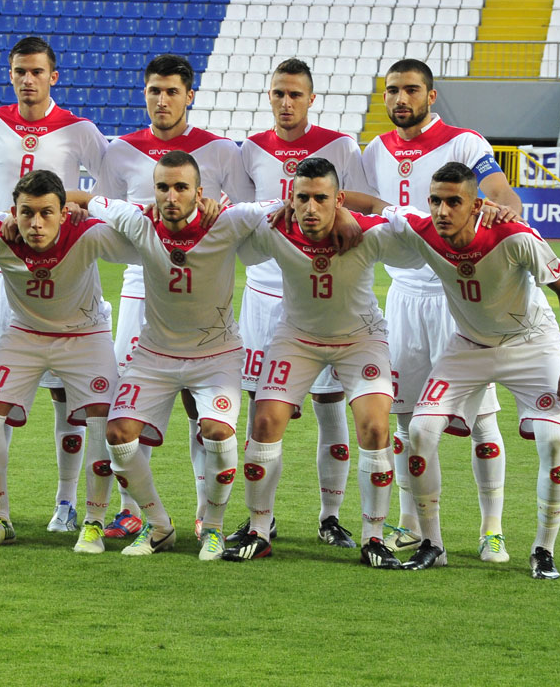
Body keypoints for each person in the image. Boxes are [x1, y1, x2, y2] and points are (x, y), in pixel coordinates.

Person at [355, 162, 560, 578]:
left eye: (453, 202)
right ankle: (433, 544)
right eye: (436, 201)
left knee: (553, 441)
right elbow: (372, 204)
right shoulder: (422, 228)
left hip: (531, 343)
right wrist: (303, 202)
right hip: (468, 345)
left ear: (476, 204)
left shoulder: (513, 236)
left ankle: (543, 550)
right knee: (421, 431)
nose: (442, 211)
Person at [354, 58, 522, 561]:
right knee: (405, 419)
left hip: (456, 297)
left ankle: (492, 529)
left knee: (481, 419)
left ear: (430, 95)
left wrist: (505, 208)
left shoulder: (465, 143)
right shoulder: (374, 149)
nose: (400, 99)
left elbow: (496, 191)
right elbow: (372, 209)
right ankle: (410, 523)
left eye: (410, 90)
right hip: (402, 297)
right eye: (392, 91)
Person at [0, 170, 137, 552]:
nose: (36, 224)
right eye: (27, 213)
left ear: (63, 212)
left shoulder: (89, 234)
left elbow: (145, 234)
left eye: (46, 213)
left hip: (85, 335)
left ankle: (94, 523)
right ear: (12, 211)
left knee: (101, 419)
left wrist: (88, 205)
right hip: (26, 334)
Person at [221, 157, 424, 566]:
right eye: (302, 199)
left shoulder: (367, 234)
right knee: (264, 422)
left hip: (361, 340)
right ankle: (260, 529)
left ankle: (373, 537)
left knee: (375, 427)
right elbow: (228, 229)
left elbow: (418, 240)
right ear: (290, 199)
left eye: (321, 199)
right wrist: (267, 209)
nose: (311, 208)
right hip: (296, 337)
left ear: (339, 199)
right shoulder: (276, 229)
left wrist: (363, 212)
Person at [69, 150, 262, 560]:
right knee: (118, 436)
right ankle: (159, 527)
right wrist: (65, 204)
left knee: (218, 433)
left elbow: (286, 204)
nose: (171, 196)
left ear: (199, 192)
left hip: (216, 353)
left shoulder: (227, 221)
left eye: (181, 188)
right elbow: (88, 199)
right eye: (162, 187)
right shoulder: (138, 220)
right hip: (155, 353)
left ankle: (212, 528)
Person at [92, 53, 253, 541]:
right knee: (128, 404)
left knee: (198, 407)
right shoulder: (120, 149)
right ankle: (131, 510)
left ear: (189, 95)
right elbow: (105, 211)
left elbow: (242, 214)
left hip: (201, 286)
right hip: (141, 285)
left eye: (171, 91)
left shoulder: (221, 150)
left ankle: (208, 511)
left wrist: (217, 206)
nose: (162, 100)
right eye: (153, 91)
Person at [0, 36, 109, 533]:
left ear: (54, 76)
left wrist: (64, 202)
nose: (28, 79)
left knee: (65, 392)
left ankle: (66, 501)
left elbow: (107, 190)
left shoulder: (80, 129)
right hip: (2, 266)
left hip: (63, 264)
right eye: (19, 71)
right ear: (11, 75)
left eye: (37, 71)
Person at [236, 58, 366, 549]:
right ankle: (260, 521)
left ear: (312, 99)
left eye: (295, 94)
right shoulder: (250, 150)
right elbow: (242, 215)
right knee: (262, 413)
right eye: (278, 94)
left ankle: (329, 516)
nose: (286, 103)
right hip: (264, 293)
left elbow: (352, 201)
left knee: (330, 408)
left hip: (321, 292)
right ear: (269, 97)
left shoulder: (340, 146)